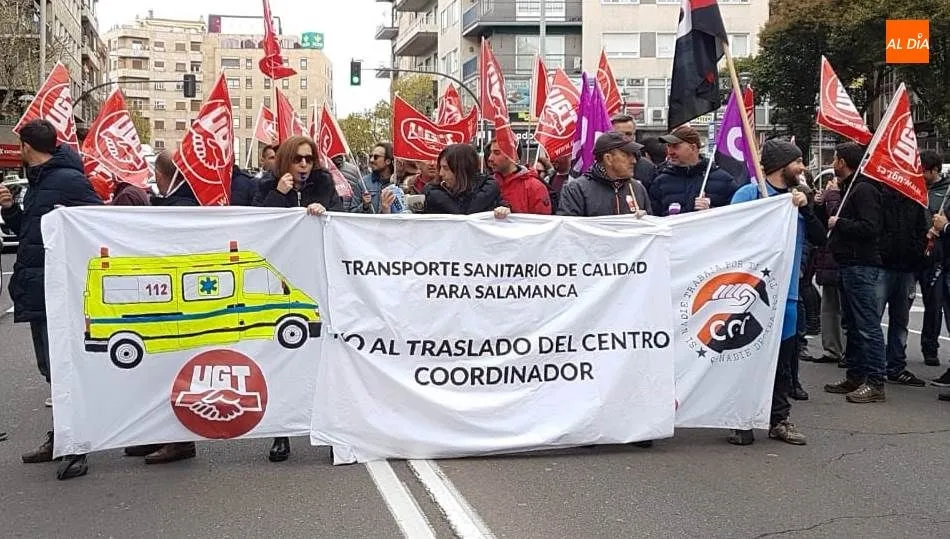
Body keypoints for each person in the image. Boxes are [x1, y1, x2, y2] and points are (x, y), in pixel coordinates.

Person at [0, 119, 103, 479]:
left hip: (55, 290)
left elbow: (97, 222)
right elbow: (30, 234)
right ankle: (64, 437)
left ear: (28, 147)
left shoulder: (68, 181)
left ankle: (75, 446)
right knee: (52, 370)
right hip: (36, 288)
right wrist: (12, 211)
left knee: (62, 370)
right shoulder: (39, 182)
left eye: (20, 145)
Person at [728, 139, 824, 446]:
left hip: (789, 296)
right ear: (782, 165)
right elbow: (729, 233)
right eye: (797, 162)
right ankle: (740, 418)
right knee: (747, 359)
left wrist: (807, 209)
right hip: (752, 295)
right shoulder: (750, 193)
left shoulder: (801, 197)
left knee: (783, 361)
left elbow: (822, 239)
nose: (803, 167)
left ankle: (779, 419)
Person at [824, 142, 887, 404]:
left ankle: (875, 381)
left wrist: (840, 223)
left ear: (844, 162)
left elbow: (871, 227)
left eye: (835, 159)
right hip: (849, 264)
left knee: (867, 325)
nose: (832, 163)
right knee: (852, 323)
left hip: (861, 264)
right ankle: (855, 375)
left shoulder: (864, 189)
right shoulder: (851, 187)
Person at [558, 132, 652, 217]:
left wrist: (645, 221)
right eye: (627, 155)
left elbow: (650, 229)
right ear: (608, 158)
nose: (634, 161)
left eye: (634, 155)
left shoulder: (637, 188)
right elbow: (569, 230)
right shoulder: (576, 190)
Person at [650, 126, 737, 216]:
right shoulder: (660, 181)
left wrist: (710, 211)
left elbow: (736, 217)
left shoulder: (724, 180)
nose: (670, 152)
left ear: (693, 148)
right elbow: (653, 217)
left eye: (676, 146)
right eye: (668, 146)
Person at [917, 151, 947, 368]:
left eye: (924, 171)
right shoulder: (913, 188)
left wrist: (940, 227)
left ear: (934, 171)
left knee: (934, 305)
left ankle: (930, 348)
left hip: (936, 255)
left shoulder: (946, 192)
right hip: (912, 253)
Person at [423, 144, 507, 217]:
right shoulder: (432, 192)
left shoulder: (489, 189)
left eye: (446, 168)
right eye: (440, 168)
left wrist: (505, 211)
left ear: (461, 169)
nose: (441, 173)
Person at [487, 140, 552, 215]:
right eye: (490, 152)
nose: (490, 158)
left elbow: (542, 222)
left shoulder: (535, 187)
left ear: (512, 156)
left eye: (497, 153)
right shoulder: (489, 184)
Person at [610, 114, 656, 189]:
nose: (625, 138)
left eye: (629, 134)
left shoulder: (647, 167)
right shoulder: (601, 165)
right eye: (619, 134)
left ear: (634, 136)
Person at [350, 142, 395, 214]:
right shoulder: (363, 183)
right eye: (371, 156)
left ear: (388, 161)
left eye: (376, 157)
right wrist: (364, 206)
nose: (371, 160)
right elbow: (352, 212)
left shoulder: (398, 182)